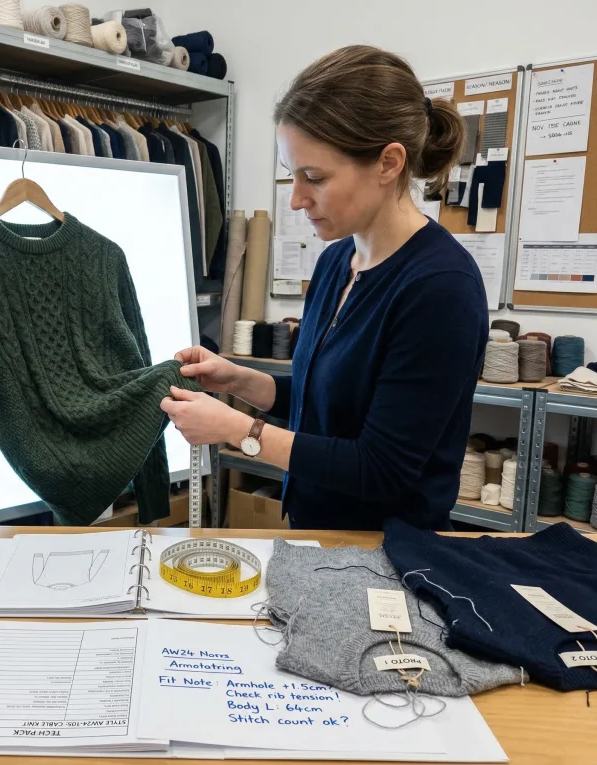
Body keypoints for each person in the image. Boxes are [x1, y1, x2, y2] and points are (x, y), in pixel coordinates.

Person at [161, 45, 489, 531]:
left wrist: (240, 431)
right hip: (316, 533)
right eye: (292, 175)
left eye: (314, 177)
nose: (295, 199)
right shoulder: (339, 260)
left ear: (388, 163)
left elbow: (380, 469)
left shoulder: (441, 289)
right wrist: (239, 381)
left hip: (387, 557)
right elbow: (330, 402)